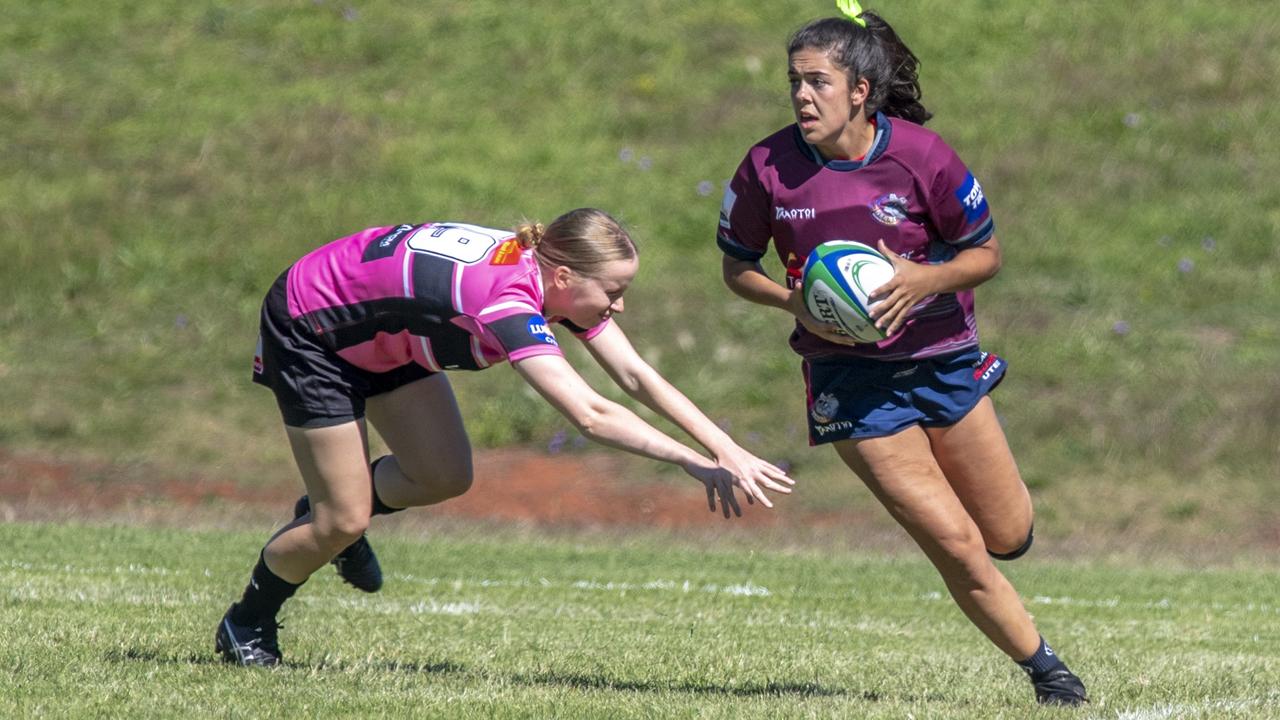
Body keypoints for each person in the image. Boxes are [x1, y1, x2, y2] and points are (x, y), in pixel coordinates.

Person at [217, 208, 793, 666]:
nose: (620, 305)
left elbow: (635, 375)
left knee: (443, 475)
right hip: (313, 326)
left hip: (385, 330)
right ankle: (248, 621)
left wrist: (727, 446)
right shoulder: (507, 300)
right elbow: (590, 413)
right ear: (563, 276)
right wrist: (690, 460)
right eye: (613, 291)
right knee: (341, 519)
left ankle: (331, 510)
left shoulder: (549, 275)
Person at [715, 3, 1089, 707]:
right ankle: (1049, 673)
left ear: (860, 90)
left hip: (944, 360)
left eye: (818, 82)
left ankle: (1016, 593)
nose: (801, 95)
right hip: (852, 384)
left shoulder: (922, 156)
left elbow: (987, 255)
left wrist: (924, 279)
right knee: (953, 542)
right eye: (794, 81)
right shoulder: (768, 166)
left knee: (1007, 534)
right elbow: (737, 266)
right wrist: (790, 301)